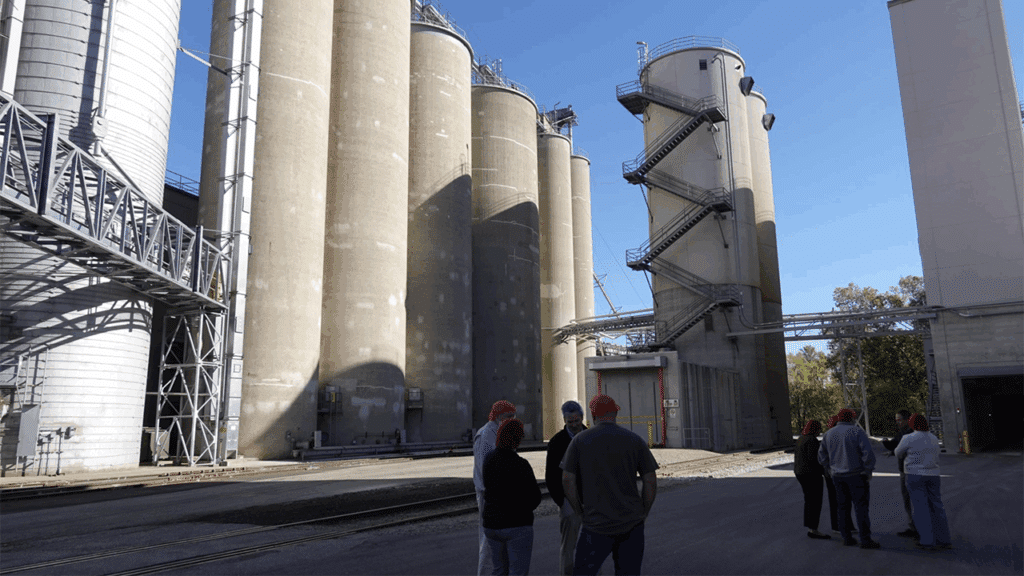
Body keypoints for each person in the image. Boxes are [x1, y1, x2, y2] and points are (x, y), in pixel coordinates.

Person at [561, 394, 659, 575]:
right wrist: (644, 511)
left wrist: (579, 511)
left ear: (593, 416)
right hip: (631, 524)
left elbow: (567, 479)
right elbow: (650, 480)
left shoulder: (579, 441)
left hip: (595, 525)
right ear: (615, 414)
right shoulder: (634, 440)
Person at [483, 418, 542, 575]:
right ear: (517, 439)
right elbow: (535, 497)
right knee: (518, 571)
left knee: (499, 570)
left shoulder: (489, 459)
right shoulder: (521, 464)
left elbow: (487, 486)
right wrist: (523, 509)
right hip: (517, 524)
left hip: (492, 524)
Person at [817, 408, 880, 549]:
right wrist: (868, 470)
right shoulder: (857, 432)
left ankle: (847, 538)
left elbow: (821, 456)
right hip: (857, 475)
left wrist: (829, 468)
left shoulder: (829, 434)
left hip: (838, 477)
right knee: (861, 508)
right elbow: (868, 453)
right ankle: (865, 539)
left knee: (843, 508)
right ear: (851, 418)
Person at [895, 413, 952, 551]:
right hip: (933, 475)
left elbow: (897, 452)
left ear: (912, 424)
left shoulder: (908, 438)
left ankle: (927, 540)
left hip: (914, 475)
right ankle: (944, 539)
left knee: (920, 508)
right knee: (937, 506)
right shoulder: (933, 438)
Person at [475, 400, 517, 575]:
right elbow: (486, 467)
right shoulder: (486, 435)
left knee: (498, 539)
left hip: (497, 494)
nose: (511, 420)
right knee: (489, 539)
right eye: (509, 416)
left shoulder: (497, 433)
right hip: (490, 494)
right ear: (499, 416)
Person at [546, 401, 588, 576]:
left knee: (593, 543)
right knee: (569, 545)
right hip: (568, 501)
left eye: (577, 421)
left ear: (582, 418)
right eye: (570, 422)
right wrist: (561, 501)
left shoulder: (591, 437)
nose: (574, 425)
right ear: (564, 420)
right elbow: (551, 476)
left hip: (591, 499)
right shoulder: (556, 442)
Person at [882, 409, 918, 538]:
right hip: (906, 470)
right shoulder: (902, 433)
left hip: (911, 471)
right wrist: (888, 446)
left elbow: (900, 449)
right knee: (908, 500)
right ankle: (913, 526)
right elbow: (896, 447)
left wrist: (891, 448)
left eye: (900, 420)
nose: (898, 422)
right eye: (896, 420)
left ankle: (919, 528)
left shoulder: (909, 434)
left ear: (907, 420)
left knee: (913, 501)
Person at [794, 420, 831, 539]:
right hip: (811, 475)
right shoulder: (812, 441)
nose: (819, 431)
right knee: (815, 501)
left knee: (809, 500)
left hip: (800, 473)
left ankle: (810, 526)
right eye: (818, 428)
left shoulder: (801, 439)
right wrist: (825, 472)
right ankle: (813, 529)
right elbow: (815, 459)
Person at [822, 414, 854, 536]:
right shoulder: (837, 435)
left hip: (832, 472)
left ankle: (841, 525)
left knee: (837, 500)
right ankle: (841, 525)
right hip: (838, 473)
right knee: (842, 500)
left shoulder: (828, 435)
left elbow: (822, 456)